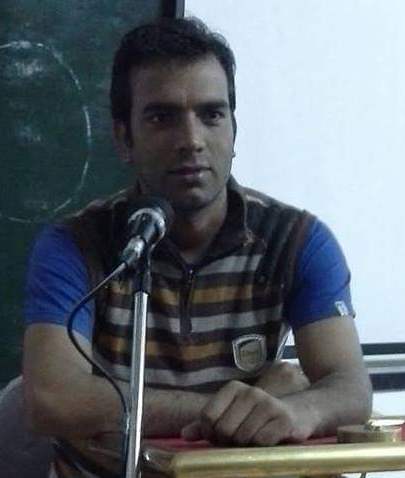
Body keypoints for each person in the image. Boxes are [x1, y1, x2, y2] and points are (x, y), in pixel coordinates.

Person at [22, 16, 372, 477]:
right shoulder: (74, 245)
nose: (191, 140)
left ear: (233, 130)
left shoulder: (297, 240)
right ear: (124, 138)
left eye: (211, 115)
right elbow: (52, 400)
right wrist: (233, 404)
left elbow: (349, 386)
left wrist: (299, 411)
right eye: (162, 118)